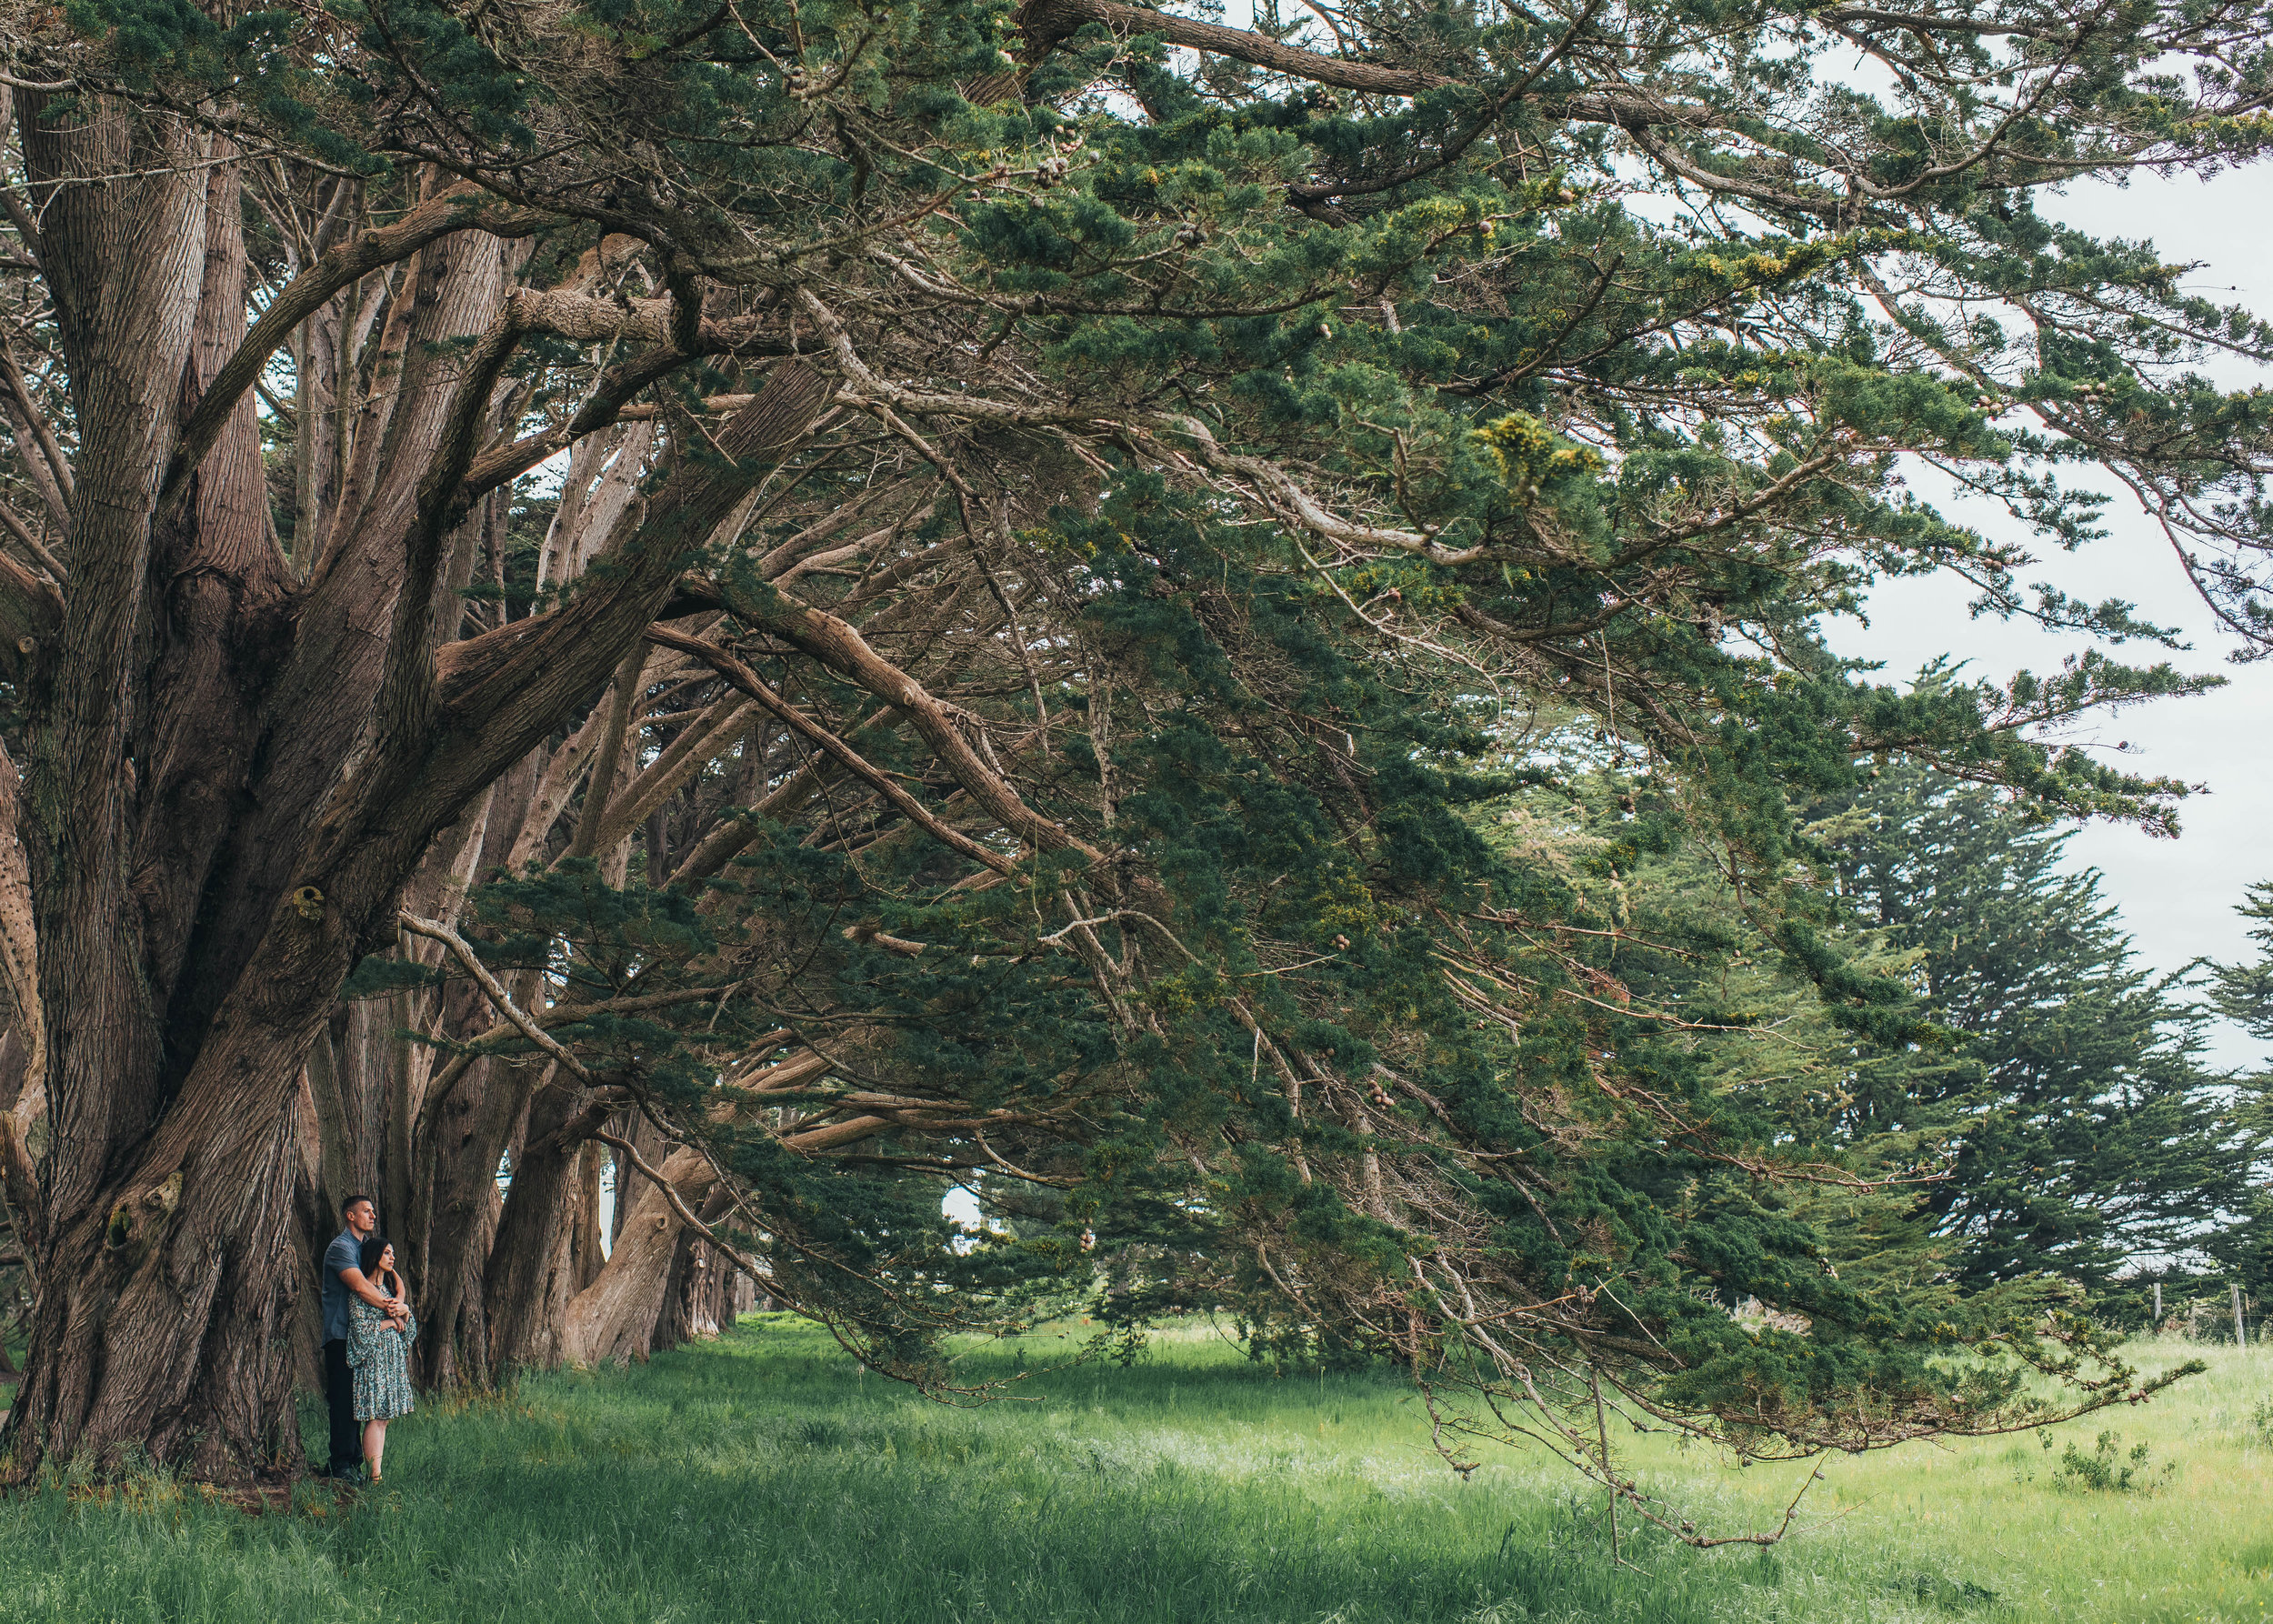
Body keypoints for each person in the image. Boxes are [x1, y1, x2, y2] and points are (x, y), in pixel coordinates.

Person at [319, 1195, 405, 1479]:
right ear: (350, 1216)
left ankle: (356, 1463)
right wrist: (391, 1308)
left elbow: (390, 1279)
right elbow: (358, 1286)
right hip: (342, 1334)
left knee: (360, 1401)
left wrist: (399, 1304)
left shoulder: (369, 1248)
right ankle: (341, 1464)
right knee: (343, 1399)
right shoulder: (341, 1247)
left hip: (367, 1339)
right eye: (366, 1211)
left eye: (373, 1211)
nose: (373, 1216)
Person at [346, 1237, 417, 1482]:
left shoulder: (387, 1291)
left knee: (383, 1418)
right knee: (375, 1417)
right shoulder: (363, 1291)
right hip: (374, 1361)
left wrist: (405, 1312)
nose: (392, 1257)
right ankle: (374, 1477)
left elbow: (408, 1330)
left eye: (393, 1253)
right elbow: (359, 1330)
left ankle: (376, 1474)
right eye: (387, 1253)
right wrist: (388, 1322)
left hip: (391, 1361)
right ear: (375, 1256)